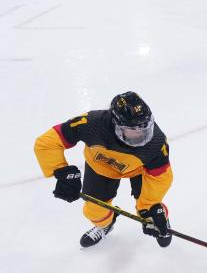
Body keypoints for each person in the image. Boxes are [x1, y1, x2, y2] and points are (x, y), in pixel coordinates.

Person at [34, 91, 173, 248]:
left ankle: (160, 221)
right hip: (100, 167)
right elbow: (47, 143)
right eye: (132, 129)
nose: (140, 134)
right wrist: (61, 172)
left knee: (150, 210)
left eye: (144, 128)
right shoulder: (91, 123)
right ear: (116, 124)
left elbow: (161, 177)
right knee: (94, 211)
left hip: (138, 170)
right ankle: (106, 224)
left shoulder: (156, 143)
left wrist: (152, 209)